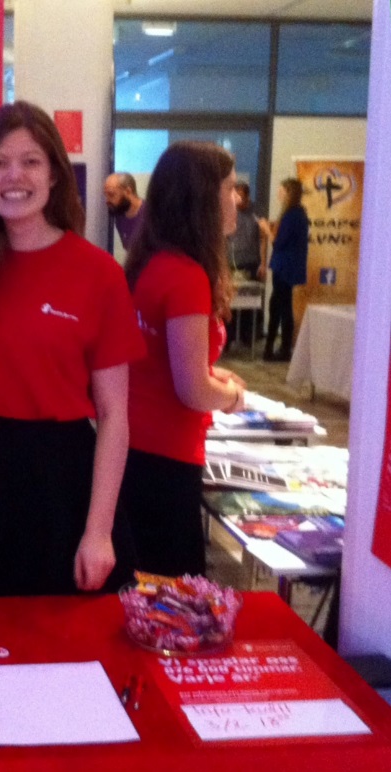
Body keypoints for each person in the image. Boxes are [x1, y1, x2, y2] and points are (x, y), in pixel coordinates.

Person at [0, 101, 145, 598]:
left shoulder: (98, 275)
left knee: (63, 644)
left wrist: (99, 530)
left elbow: (115, 416)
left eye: (30, 161)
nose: (14, 176)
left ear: (54, 175)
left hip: (62, 480)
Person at [118, 141, 247, 578]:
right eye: (230, 188)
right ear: (203, 198)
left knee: (145, 585)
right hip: (166, 460)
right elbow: (192, 390)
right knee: (170, 595)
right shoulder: (188, 276)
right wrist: (231, 396)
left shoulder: (153, 262)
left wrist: (211, 372)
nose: (237, 199)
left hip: (137, 450)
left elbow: (158, 359)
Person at [258, 178, 310, 362]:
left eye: (281, 190)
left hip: (285, 267)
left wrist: (266, 229)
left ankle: (281, 349)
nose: (278, 193)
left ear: (289, 193)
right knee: (279, 306)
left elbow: (278, 243)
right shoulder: (296, 214)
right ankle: (275, 348)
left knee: (281, 307)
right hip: (286, 266)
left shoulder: (292, 215)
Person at [226, 181, 267, 347]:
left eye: (241, 198)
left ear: (248, 197)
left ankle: (248, 338)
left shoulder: (257, 211)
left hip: (251, 261)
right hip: (231, 262)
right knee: (229, 303)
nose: (238, 202)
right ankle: (228, 339)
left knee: (250, 303)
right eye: (236, 198)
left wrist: (263, 263)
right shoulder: (228, 209)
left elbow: (263, 239)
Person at [104, 172, 144, 250]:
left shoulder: (151, 216)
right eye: (106, 195)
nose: (107, 200)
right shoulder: (119, 216)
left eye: (111, 194)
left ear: (128, 192)